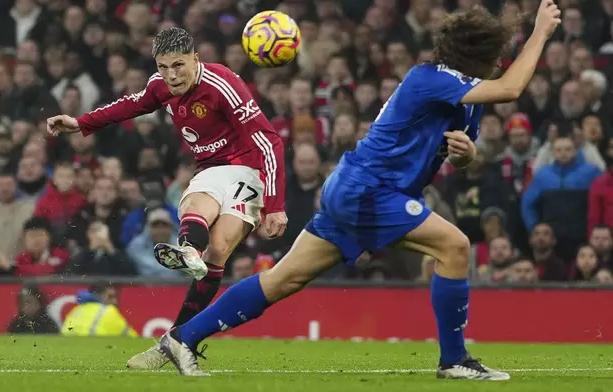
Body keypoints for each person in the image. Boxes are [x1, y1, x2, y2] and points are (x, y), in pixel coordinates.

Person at [155, 2, 561, 379]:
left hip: (356, 187)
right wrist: (539, 34)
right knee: (454, 247)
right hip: (371, 189)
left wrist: (466, 155)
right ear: (482, 53)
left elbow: (455, 153)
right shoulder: (430, 78)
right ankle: (454, 360)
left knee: (282, 280)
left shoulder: (466, 99)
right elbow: (511, 88)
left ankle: (182, 337)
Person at [45, 27, 288, 368]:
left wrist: (276, 205)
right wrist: (81, 122)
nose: (172, 75)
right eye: (163, 67)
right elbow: (130, 105)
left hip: (250, 172)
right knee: (197, 204)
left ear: (195, 59)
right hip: (211, 169)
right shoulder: (160, 86)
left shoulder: (222, 84)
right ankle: (188, 251)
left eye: (179, 65)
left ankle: (173, 339)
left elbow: (269, 141)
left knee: (218, 251)